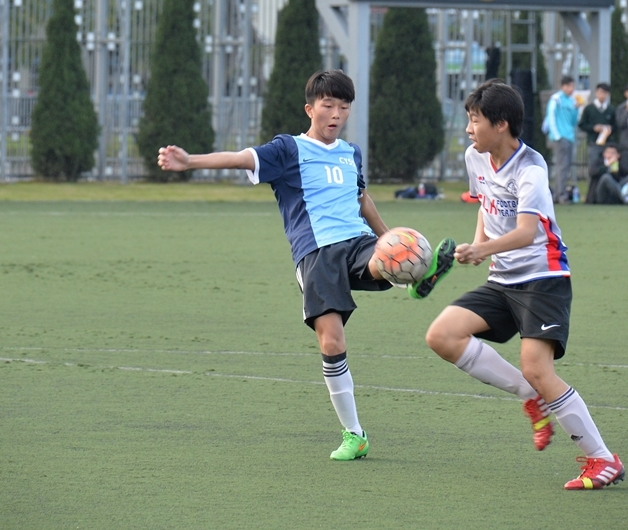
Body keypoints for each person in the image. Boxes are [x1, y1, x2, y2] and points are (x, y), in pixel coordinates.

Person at [157, 70, 456, 461]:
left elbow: (362, 199)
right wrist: (190, 161)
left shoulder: (351, 153)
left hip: (358, 243)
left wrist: (390, 238)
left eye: (343, 107)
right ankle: (355, 434)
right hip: (316, 254)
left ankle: (417, 275)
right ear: (310, 108)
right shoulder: (289, 149)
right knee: (332, 342)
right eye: (328, 106)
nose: (335, 114)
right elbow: (240, 158)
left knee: (394, 254)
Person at [426, 79, 625, 490]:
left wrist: (483, 250)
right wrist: (480, 245)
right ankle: (530, 398)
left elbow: (527, 232)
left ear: (500, 125)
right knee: (442, 335)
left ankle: (603, 460)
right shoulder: (475, 156)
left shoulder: (531, 168)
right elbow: (485, 204)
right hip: (502, 279)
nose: (468, 129)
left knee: (537, 366)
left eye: (474, 120)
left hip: (542, 278)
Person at [544, 75, 582, 204]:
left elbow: (573, 121)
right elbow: (551, 117)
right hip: (561, 137)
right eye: (570, 86)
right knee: (561, 166)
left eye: (573, 86)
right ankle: (559, 195)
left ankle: (559, 193)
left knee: (566, 166)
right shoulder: (556, 99)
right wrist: (556, 135)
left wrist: (576, 108)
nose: (572, 89)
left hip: (569, 136)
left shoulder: (571, 101)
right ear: (563, 86)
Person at [578, 82, 616, 186]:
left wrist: (609, 129)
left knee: (608, 166)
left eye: (605, 93)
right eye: (600, 92)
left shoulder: (611, 109)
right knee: (593, 167)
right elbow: (582, 125)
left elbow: (615, 126)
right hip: (593, 143)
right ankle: (592, 191)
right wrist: (594, 128)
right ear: (596, 93)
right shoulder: (589, 109)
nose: (602, 95)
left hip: (607, 145)